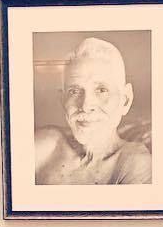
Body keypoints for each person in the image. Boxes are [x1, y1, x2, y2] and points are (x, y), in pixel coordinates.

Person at [34, 37, 153, 186]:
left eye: (101, 90)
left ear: (125, 100)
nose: (85, 106)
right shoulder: (47, 144)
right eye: (74, 91)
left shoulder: (134, 164)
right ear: (62, 100)